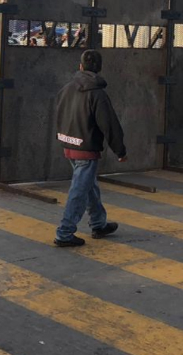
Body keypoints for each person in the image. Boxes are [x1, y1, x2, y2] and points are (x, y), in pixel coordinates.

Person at [53, 50, 126, 247]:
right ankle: (65, 232)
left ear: (81, 66)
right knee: (79, 189)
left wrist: (63, 137)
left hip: (69, 144)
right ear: (99, 69)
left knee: (88, 186)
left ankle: (98, 224)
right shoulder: (97, 94)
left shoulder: (67, 88)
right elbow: (109, 124)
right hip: (86, 148)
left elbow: (59, 113)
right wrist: (120, 150)